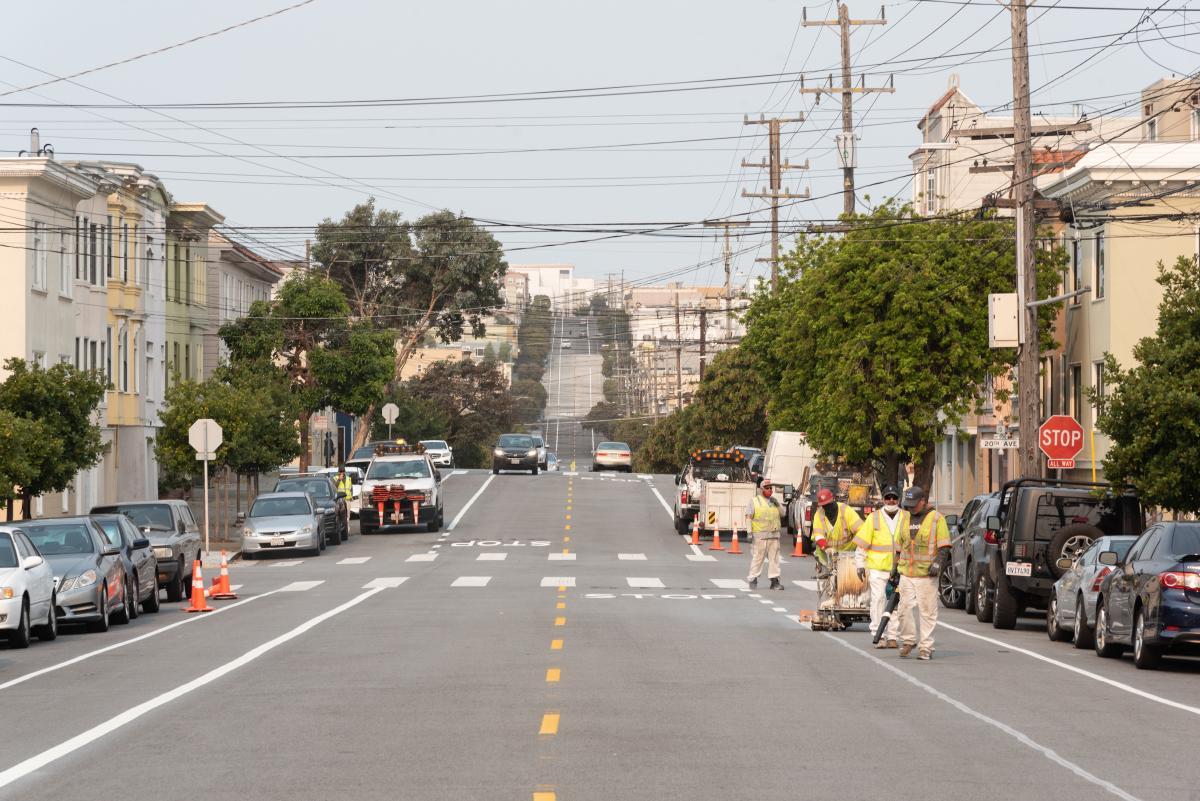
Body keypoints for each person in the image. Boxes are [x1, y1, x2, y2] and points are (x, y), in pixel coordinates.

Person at [893, 486, 952, 660]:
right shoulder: (905, 518)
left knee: (927, 612)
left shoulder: (936, 519)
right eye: (908, 505)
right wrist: (894, 569)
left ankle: (926, 647)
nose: (910, 508)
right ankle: (909, 640)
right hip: (906, 572)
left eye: (913, 505)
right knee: (903, 609)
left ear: (923, 501)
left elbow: (944, 546)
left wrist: (937, 563)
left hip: (926, 574)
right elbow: (899, 547)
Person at [852, 485, 907, 649]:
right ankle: (878, 634)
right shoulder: (874, 518)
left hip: (899, 569)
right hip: (877, 568)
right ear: (883, 499)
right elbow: (862, 544)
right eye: (888, 497)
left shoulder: (906, 517)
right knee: (878, 600)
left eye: (894, 497)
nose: (891, 500)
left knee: (896, 603)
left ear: (899, 499)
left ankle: (893, 636)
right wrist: (860, 564)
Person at [745, 479, 785, 591]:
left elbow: (783, 514)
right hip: (760, 536)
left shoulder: (774, 502)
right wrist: (749, 532)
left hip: (774, 535)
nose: (770, 490)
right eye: (767, 488)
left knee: (775, 559)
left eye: (771, 488)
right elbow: (748, 517)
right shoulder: (754, 501)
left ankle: (775, 581)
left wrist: (778, 505)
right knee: (758, 558)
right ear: (761, 489)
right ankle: (753, 579)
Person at [811, 487, 864, 568]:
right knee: (830, 576)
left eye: (829, 504)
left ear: (834, 499)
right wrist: (827, 548)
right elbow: (818, 536)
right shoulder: (818, 515)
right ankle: (825, 571)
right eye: (824, 506)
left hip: (848, 553)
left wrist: (860, 550)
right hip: (828, 554)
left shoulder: (846, 511)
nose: (827, 508)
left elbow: (862, 531)